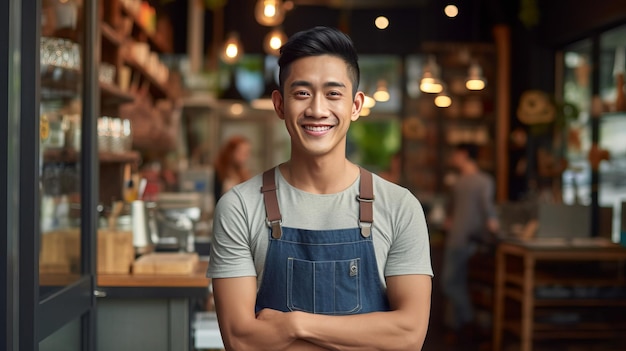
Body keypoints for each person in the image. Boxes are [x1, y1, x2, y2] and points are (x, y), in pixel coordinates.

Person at [207, 26, 433, 351]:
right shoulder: (239, 207)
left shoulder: (400, 207)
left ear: (355, 105)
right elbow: (242, 341)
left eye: (333, 93)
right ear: (280, 104)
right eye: (301, 93)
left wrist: (295, 324)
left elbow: (409, 336)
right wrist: (369, 337)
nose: (316, 109)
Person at [441, 143, 499, 343]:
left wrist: (494, 226)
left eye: (455, 153)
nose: (453, 157)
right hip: (460, 239)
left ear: (464, 154)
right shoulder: (463, 182)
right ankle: (461, 329)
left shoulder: (477, 181)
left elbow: (488, 210)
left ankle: (469, 322)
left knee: (449, 283)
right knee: (457, 283)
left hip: (463, 240)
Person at [213, 135, 252, 202]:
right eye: (241, 152)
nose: (244, 157)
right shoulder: (218, 172)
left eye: (246, 153)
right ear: (230, 152)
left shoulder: (244, 173)